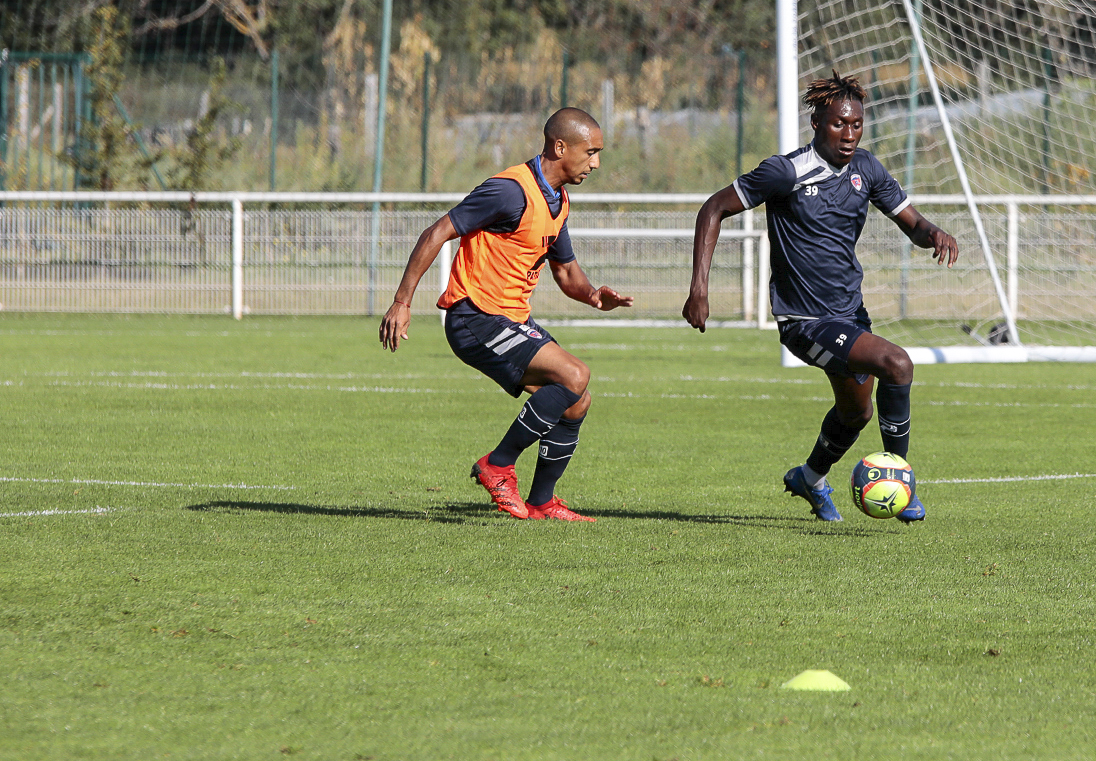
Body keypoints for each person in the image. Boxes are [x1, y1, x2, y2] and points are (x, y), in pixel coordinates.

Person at [683, 72, 958, 522]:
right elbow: (713, 208)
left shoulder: (866, 168)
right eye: (838, 124)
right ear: (816, 122)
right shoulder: (785, 171)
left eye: (856, 124)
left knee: (856, 412)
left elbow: (913, 223)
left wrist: (936, 234)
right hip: (804, 321)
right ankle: (901, 478)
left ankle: (808, 479)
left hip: (850, 313)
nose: (848, 135)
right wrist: (699, 289)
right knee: (898, 364)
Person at [379, 107, 633, 521]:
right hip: (474, 317)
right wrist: (402, 302)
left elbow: (566, 272)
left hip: (510, 320)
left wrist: (592, 296)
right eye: (591, 152)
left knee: (576, 402)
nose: (596, 163)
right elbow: (437, 231)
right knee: (575, 374)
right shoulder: (509, 190)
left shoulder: (557, 201)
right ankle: (497, 465)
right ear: (560, 146)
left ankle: (542, 502)